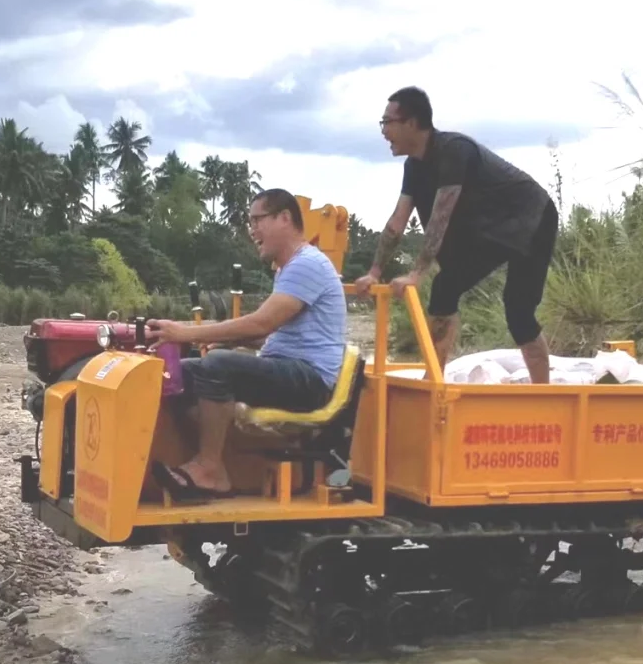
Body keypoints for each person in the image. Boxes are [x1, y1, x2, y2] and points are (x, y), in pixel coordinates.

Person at [146, 187, 347, 501]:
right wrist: (225, 339)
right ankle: (217, 465)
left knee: (218, 366)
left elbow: (262, 323)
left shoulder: (308, 264)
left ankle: (209, 468)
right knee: (180, 374)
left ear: (284, 218)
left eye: (257, 220)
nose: (251, 230)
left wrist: (185, 333)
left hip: (312, 379)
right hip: (287, 369)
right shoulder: (287, 269)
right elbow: (266, 335)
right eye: (249, 222)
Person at [354, 86, 559, 384]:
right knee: (445, 287)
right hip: (491, 228)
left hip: (533, 217)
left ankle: (545, 394)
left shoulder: (453, 150)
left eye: (387, 122)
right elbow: (397, 221)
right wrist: (374, 271)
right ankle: (432, 381)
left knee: (519, 310)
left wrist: (416, 273)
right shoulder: (414, 166)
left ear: (411, 122)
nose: (384, 131)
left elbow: (441, 217)